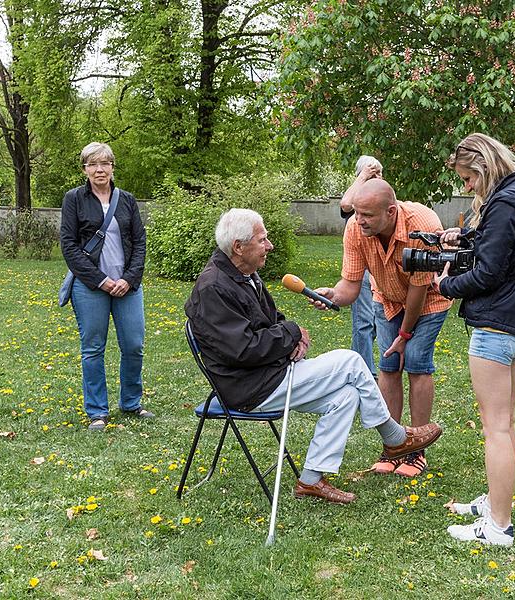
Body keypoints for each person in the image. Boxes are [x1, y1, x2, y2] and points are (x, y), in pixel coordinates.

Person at [184, 209, 442, 504]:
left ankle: (311, 480)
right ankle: (395, 439)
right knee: (352, 362)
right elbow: (243, 349)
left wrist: (290, 337)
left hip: (269, 374)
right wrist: (292, 333)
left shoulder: (243, 275)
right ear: (238, 247)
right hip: (251, 387)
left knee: (346, 396)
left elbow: (271, 321)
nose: (270, 246)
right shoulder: (213, 287)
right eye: (263, 240)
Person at [436, 133, 515, 547]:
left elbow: (487, 275)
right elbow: (504, 254)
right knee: (505, 424)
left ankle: (498, 526)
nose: (467, 187)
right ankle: (495, 501)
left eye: (469, 178)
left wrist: (446, 285)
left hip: (496, 323)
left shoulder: (503, 204)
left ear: (484, 167)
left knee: (496, 429)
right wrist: (467, 240)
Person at [312, 179, 451, 477]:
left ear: (390, 212)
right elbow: (350, 284)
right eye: (357, 213)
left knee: (416, 362)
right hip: (386, 297)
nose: (358, 220)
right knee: (388, 366)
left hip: (428, 300)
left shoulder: (422, 224)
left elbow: (418, 290)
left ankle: (416, 450)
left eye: (367, 215)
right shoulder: (355, 228)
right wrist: (334, 295)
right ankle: (394, 445)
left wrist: (404, 335)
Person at [59, 142, 153, 432]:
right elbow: (69, 246)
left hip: (128, 285)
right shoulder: (73, 199)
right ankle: (97, 411)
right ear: (85, 169)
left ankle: (131, 403)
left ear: (112, 167)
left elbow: (139, 242)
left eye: (105, 164)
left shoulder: (126, 200)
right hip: (90, 287)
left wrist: (128, 278)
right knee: (93, 349)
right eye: (92, 164)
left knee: (134, 346)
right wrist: (101, 280)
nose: (99, 169)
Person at [339, 155, 382, 377]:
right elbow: (346, 204)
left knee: (378, 319)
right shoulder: (354, 198)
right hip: (361, 268)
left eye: (378, 173)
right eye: (370, 173)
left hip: (380, 266)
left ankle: (368, 369)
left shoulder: (379, 198)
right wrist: (363, 176)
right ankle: (365, 372)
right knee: (364, 321)